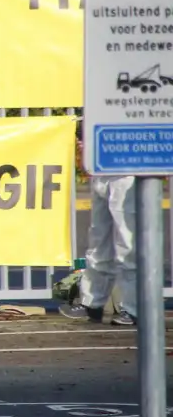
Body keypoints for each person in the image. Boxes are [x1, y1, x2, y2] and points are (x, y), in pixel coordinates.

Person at [75, 121, 137, 326]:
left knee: (127, 242)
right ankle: (92, 302)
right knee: (99, 239)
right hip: (103, 167)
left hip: (127, 169)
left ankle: (133, 307)